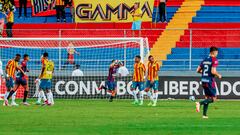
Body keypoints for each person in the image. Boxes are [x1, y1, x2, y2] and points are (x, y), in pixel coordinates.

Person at [196, 46, 222, 119]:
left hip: (203, 80)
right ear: (214, 52)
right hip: (210, 81)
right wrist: (218, 75)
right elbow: (213, 71)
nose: (217, 54)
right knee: (214, 99)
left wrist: (204, 72)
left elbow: (197, 70)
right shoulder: (214, 60)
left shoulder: (204, 60)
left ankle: (204, 115)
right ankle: (199, 103)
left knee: (207, 97)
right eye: (217, 52)